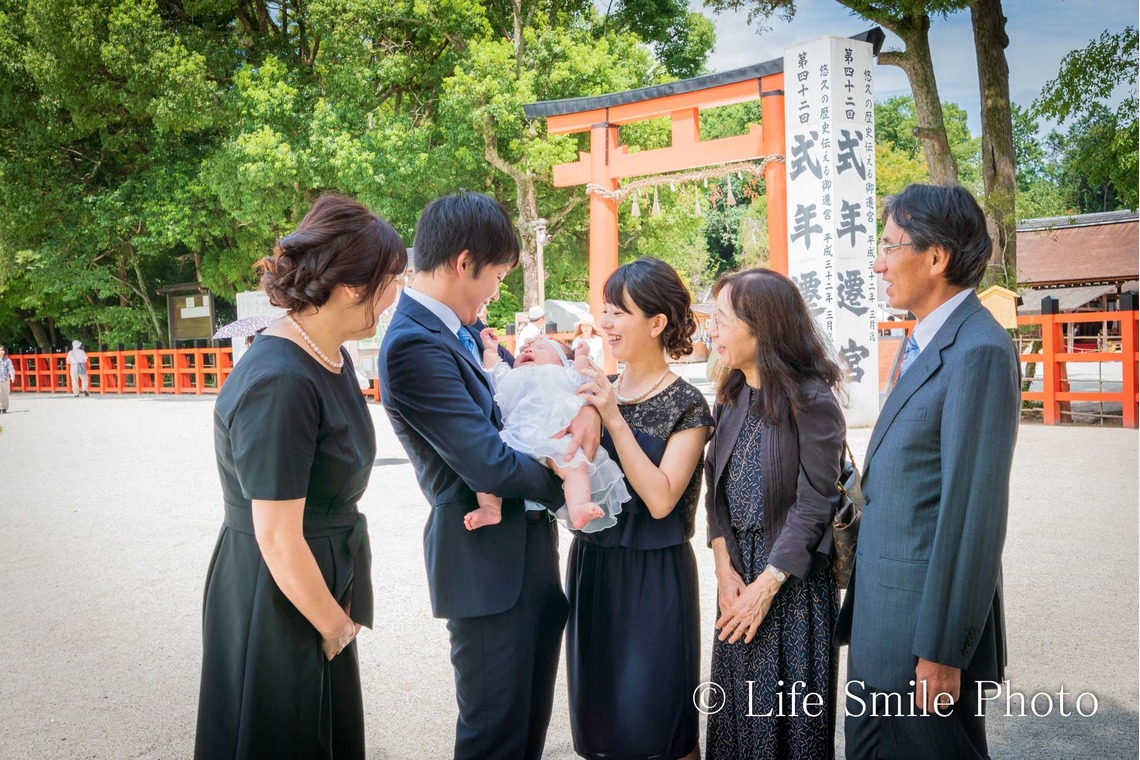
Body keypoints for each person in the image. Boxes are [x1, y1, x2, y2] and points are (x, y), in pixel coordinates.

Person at [378, 191, 601, 760]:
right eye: (497, 275)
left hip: (522, 559)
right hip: (485, 567)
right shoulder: (413, 345)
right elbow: (487, 462)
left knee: (523, 733)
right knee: (494, 739)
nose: (497, 291)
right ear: (463, 262)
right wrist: (572, 475)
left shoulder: (452, 333)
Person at [195, 194, 407, 759]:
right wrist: (333, 624)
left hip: (312, 584)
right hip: (279, 591)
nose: (395, 296)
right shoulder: (281, 378)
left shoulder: (326, 354)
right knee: (284, 734)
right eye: (390, 281)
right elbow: (276, 534)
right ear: (350, 286)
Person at [835, 184, 1020, 759]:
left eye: (890, 246)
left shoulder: (978, 351)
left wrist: (943, 648)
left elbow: (972, 514)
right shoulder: (926, 339)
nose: (878, 262)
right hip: (881, 621)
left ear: (936, 258)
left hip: (922, 642)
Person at [570, 257, 714, 760]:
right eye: (605, 311)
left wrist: (611, 416)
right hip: (594, 564)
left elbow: (660, 498)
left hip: (654, 575)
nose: (606, 323)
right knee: (600, 723)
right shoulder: (592, 391)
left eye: (620, 312)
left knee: (661, 726)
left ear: (657, 323)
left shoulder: (688, 404)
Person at [703, 269, 846, 759]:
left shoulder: (811, 399)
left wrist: (766, 585)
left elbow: (815, 503)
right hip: (739, 575)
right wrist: (724, 570)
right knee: (736, 722)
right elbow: (715, 490)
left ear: (760, 326)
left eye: (721, 321)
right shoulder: (732, 393)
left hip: (791, 584)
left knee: (788, 728)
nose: (712, 331)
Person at [464, 333, 628, 533]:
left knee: (575, 464)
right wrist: (490, 350)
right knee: (487, 458)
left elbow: (582, 376)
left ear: (563, 363)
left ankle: (578, 506)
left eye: (542, 348)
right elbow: (494, 370)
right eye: (524, 350)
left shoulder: (563, 374)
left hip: (553, 438)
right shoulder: (513, 376)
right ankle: (490, 508)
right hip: (516, 437)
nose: (529, 349)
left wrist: (581, 356)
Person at [0, 344, 13, 413]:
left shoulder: (7, 360)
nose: (2, 351)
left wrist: (12, 376)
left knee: (5, 393)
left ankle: (4, 408)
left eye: (2, 350)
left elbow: (10, 368)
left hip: (5, 379)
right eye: (0, 350)